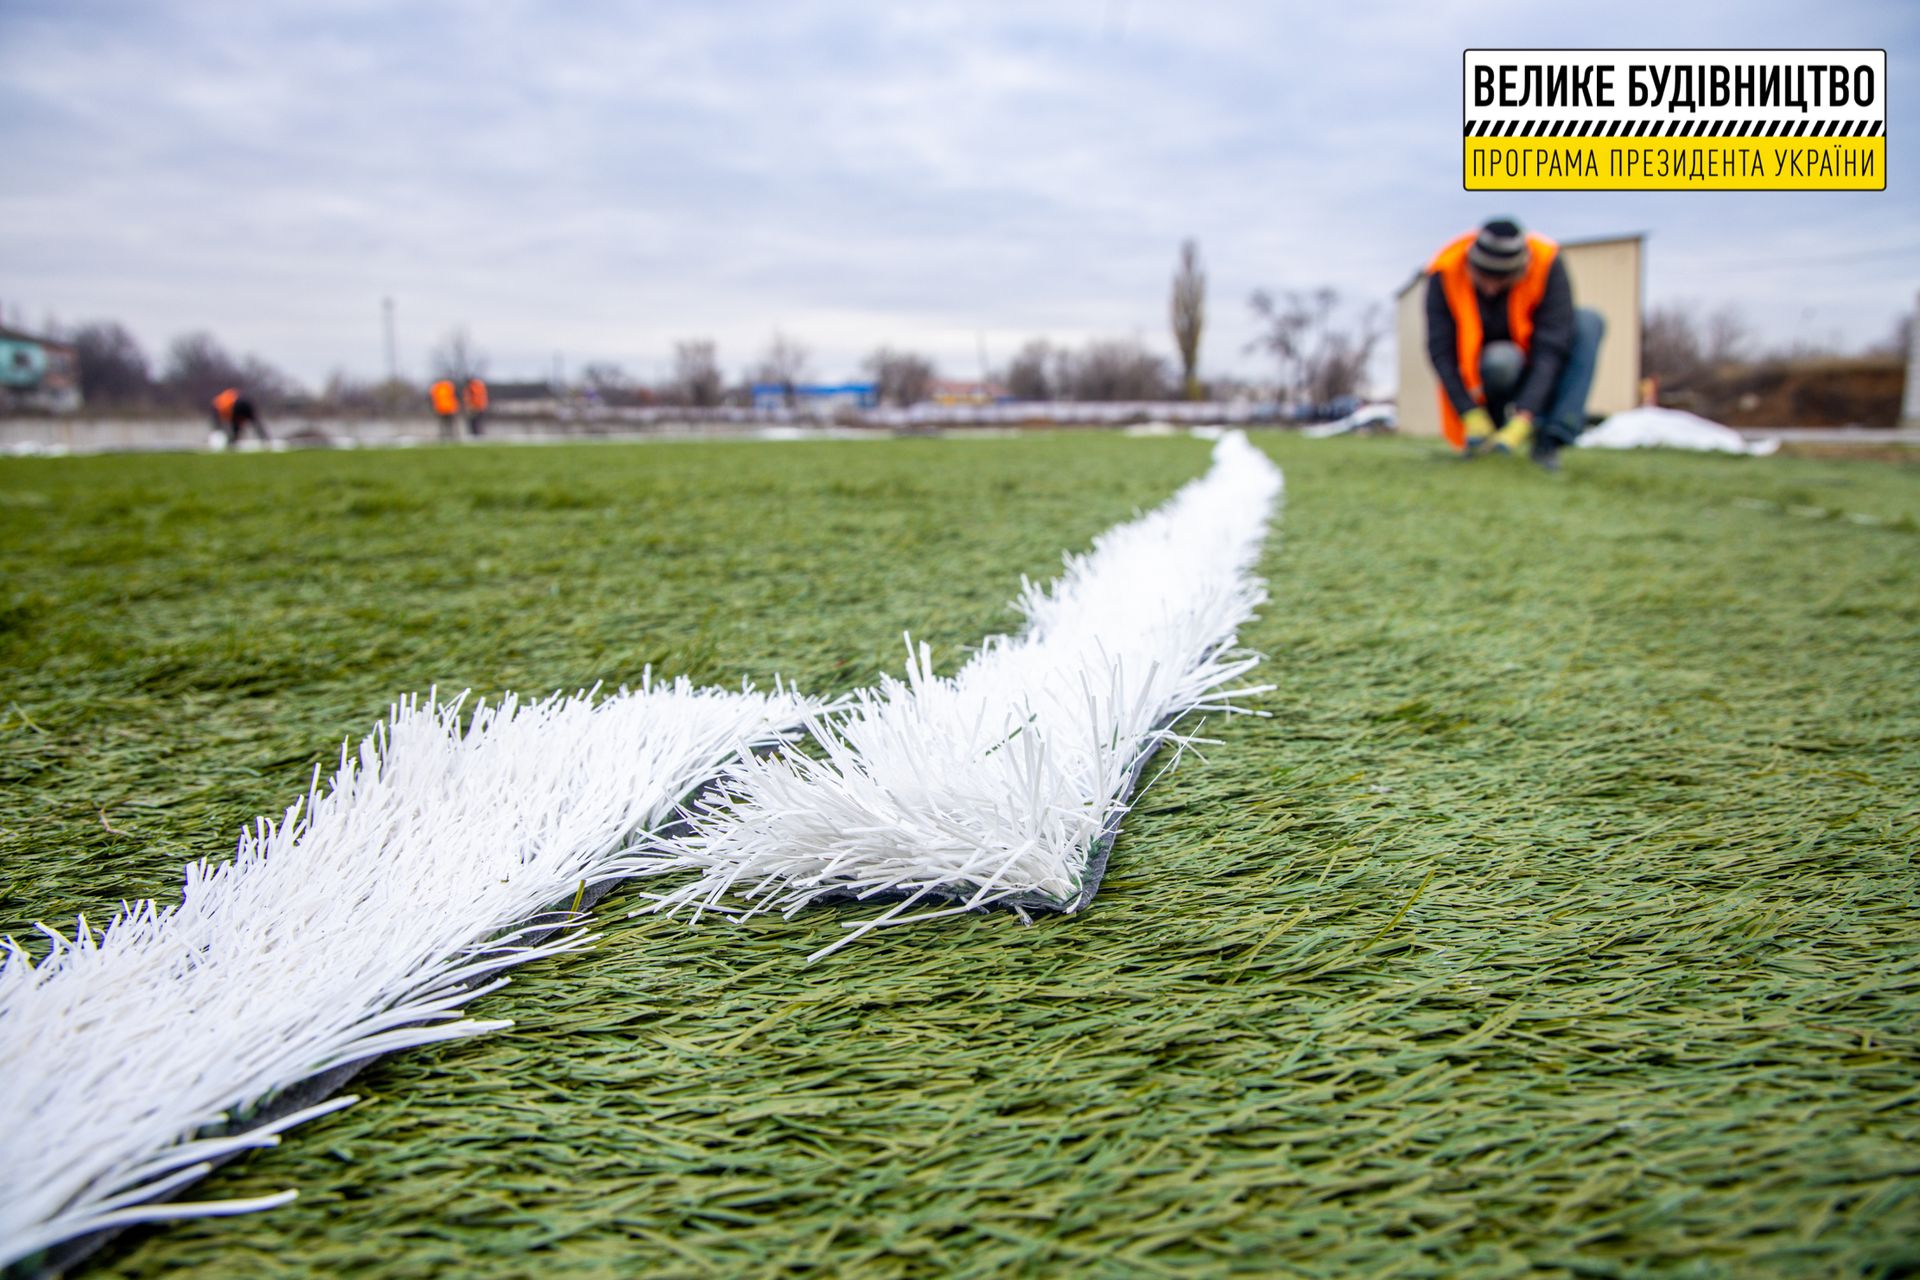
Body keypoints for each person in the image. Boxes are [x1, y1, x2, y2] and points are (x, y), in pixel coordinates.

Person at [1425, 216, 1606, 470]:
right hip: (1488, 373)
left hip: (1536, 367)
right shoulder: (1446, 270)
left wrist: (1524, 415)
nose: (1490, 289)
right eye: (1483, 278)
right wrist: (1467, 410)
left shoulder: (1546, 263)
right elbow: (1441, 351)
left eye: (1500, 280)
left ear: (1520, 270)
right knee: (1501, 359)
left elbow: (1551, 350)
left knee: (1588, 323)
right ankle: (1488, 433)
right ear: (1470, 266)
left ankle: (1550, 439)